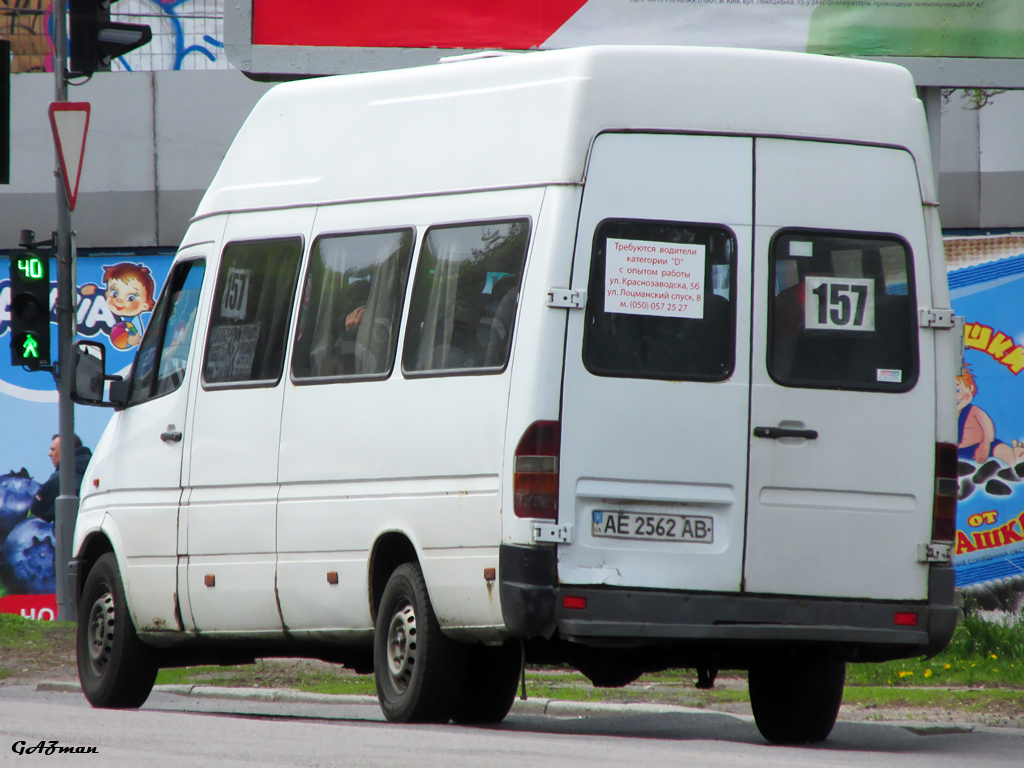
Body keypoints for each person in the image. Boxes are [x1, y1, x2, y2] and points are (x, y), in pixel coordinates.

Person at [28, 434, 92, 523]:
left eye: (53, 449)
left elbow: (37, 509)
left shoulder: (60, 478)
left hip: (67, 533)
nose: (49, 454)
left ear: (66, 452)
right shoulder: (94, 471)